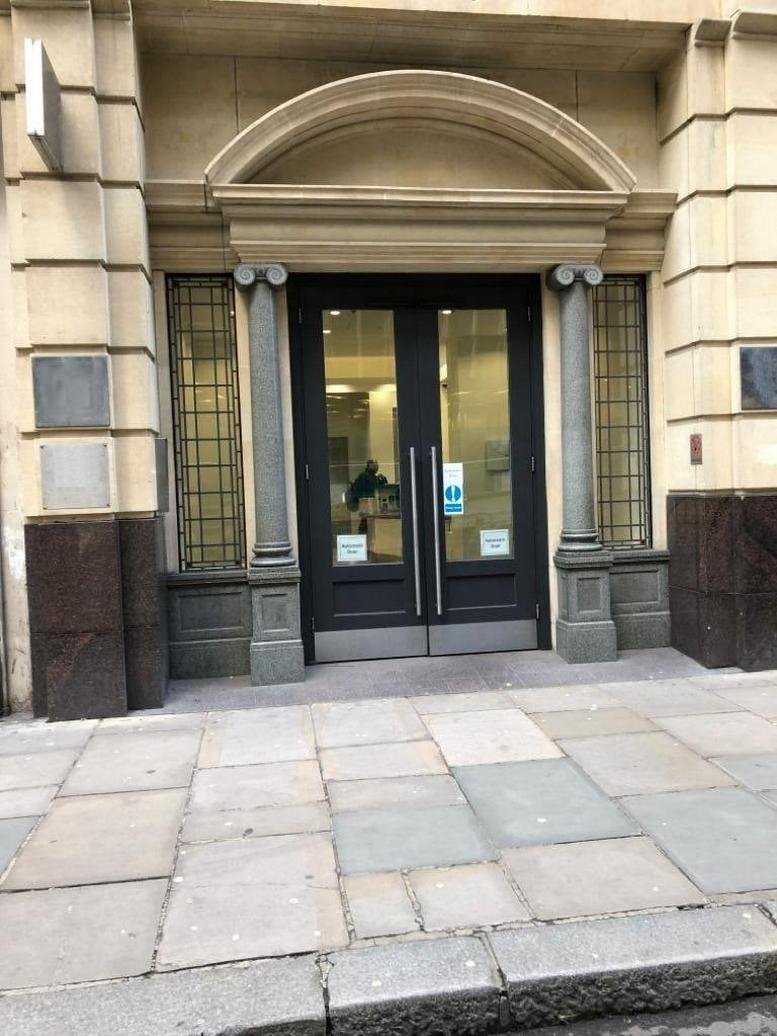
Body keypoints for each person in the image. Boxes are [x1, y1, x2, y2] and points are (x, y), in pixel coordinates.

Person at [348, 459, 388, 532]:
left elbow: (383, 490)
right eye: (375, 463)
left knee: (369, 527)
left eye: (377, 463)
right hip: (367, 506)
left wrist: (383, 479)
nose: (376, 465)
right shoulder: (364, 476)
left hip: (371, 507)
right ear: (369, 465)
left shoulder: (375, 477)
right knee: (366, 526)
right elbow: (362, 491)